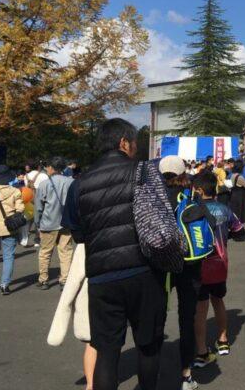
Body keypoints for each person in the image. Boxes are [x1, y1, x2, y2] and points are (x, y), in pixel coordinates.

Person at [62, 118, 168, 390]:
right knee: (148, 346)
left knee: (107, 352)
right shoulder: (143, 172)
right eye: (134, 144)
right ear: (124, 143)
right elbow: (162, 219)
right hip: (145, 271)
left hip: (101, 278)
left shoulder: (79, 183)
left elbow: (78, 233)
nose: (136, 149)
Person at [159, 155, 208, 390]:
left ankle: (151, 368)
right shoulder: (191, 195)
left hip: (161, 263)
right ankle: (186, 374)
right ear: (182, 173)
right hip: (190, 263)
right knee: (186, 319)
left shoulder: (154, 197)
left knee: (156, 316)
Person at [192, 169, 244, 367]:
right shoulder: (224, 209)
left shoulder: (193, 210)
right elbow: (239, 230)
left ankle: (201, 351)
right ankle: (223, 340)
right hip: (220, 265)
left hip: (200, 266)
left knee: (201, 308)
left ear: (197, 190)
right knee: (219, 301)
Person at [47, 244, 97, 390]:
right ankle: (102, 379)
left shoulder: (86, 241)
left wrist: (64, 308)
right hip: (115, 296)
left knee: (92, 343)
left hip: (89, 296)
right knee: (110, 344)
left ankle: (91, 384)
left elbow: (74, 279)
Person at [34, 156, 75, 289]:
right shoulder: (71, 182)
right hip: (66, 222)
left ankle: (43, 280)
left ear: (51, 168)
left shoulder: (44, 184)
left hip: (48, 222)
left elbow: (38, 207)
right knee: (66, 251)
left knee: (45, 252)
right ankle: (64, 279)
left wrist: (37, 224)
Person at [0, 164, 24, 295]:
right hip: (9, 228)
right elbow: (20, 209)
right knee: (8, 256)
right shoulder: (15, 191)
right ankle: (5, 285)